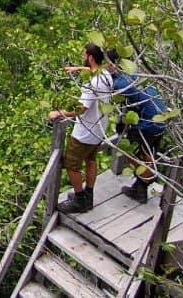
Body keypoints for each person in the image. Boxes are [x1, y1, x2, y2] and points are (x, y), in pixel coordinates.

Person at [47, 43, 114, 214]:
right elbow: (94, 71)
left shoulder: (91, 84)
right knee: (91, 160)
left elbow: (82, 109)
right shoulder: (105, 75)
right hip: (99, 130)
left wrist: (59, 113)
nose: (83, 58)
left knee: (71, 164)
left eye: (84, 56)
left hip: (84, 133)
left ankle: (79, 199)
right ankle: (88, 195)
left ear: (91, 58)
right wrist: (78, 68)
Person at [105, 48, 167, 204]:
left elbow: (127, 104)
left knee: (128, 150)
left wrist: (122, 124)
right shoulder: (133, 73)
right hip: (161, 118)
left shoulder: (121, 84)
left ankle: (146, 182)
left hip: (148, 124)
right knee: (148, 154)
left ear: (112, 65)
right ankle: (142, 186)